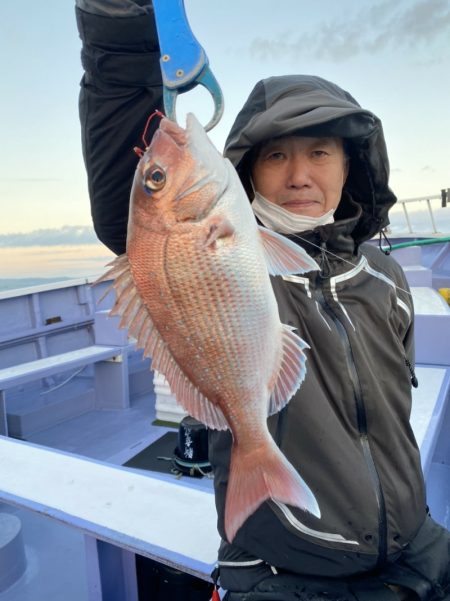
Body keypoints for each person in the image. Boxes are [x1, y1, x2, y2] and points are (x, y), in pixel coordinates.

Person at [75, 2, 450, 600]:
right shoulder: (235, 245)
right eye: (276, 155)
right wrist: (121, 23)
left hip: (418, 548)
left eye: (320, 152)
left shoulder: (383, 276)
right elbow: (130, 162)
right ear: (247, 171)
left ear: (350, 163)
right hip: (283, 575)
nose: (299, 175)